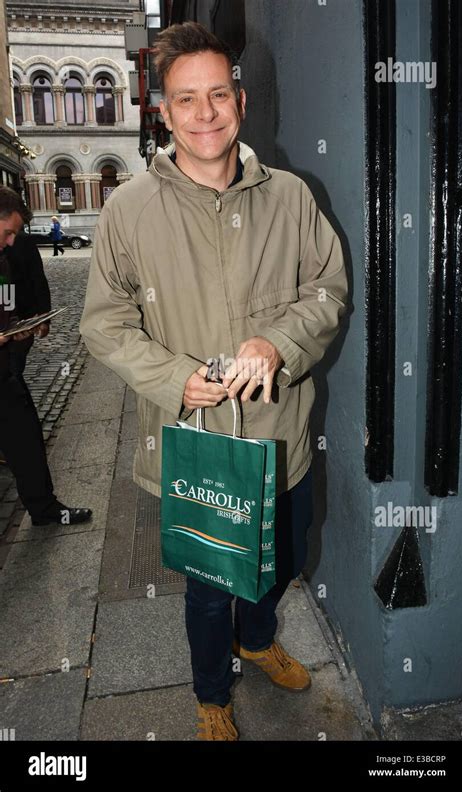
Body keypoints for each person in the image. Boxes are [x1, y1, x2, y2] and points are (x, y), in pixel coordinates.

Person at [80, 22, 348, 740]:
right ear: (163, 112)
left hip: (281, 442)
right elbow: (103, 325)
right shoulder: (127, 210)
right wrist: (175, 378)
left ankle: (257, 641)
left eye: (218, 95)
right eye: (186, 99)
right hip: (195, 448)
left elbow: (328, 290)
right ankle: (210, 695)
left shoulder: (292, 196)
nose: (205, 114)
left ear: (242, 100)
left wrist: (278, 340)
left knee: (279, 562)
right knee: (208, 589)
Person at [0, 186, 92, 527]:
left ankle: (44, 508)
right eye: (8, 231)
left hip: (5, 374)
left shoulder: (5, 259)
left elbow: (7, 306)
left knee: (26, 442)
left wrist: (16, 328)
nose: (12, 241)